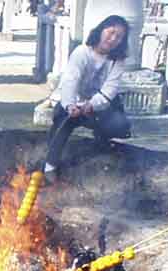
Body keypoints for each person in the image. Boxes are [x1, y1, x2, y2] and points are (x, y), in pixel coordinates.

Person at [42, 15, 132, 181]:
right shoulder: (81, 53)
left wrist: (91, 105)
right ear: (101, 30)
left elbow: (110, 89)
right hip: (75, 102)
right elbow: (70, 80)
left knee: (120, 125)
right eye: (111, 32)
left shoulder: (118, 61)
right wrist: (70, 105)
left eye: (119, 37)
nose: (113, 39)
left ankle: (101, 145)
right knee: (62, 121)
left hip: (99, 106)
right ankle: (50, 165)